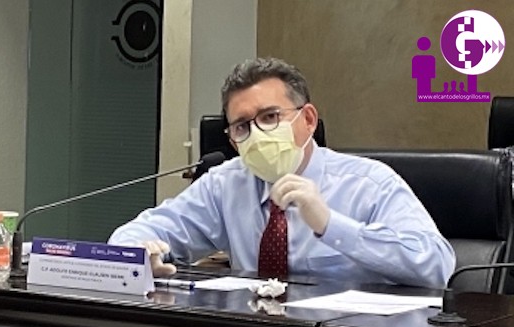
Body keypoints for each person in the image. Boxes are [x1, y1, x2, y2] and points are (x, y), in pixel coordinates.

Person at [109, 57, 455, 288]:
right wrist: (138, 251)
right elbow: (143, 230)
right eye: (242, 126)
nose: (257, 133)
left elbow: (437, 265)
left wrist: (330, 225)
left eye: (270, 117)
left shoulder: (369, 184)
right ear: (231, 140)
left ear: (308, 120)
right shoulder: (227, 183)